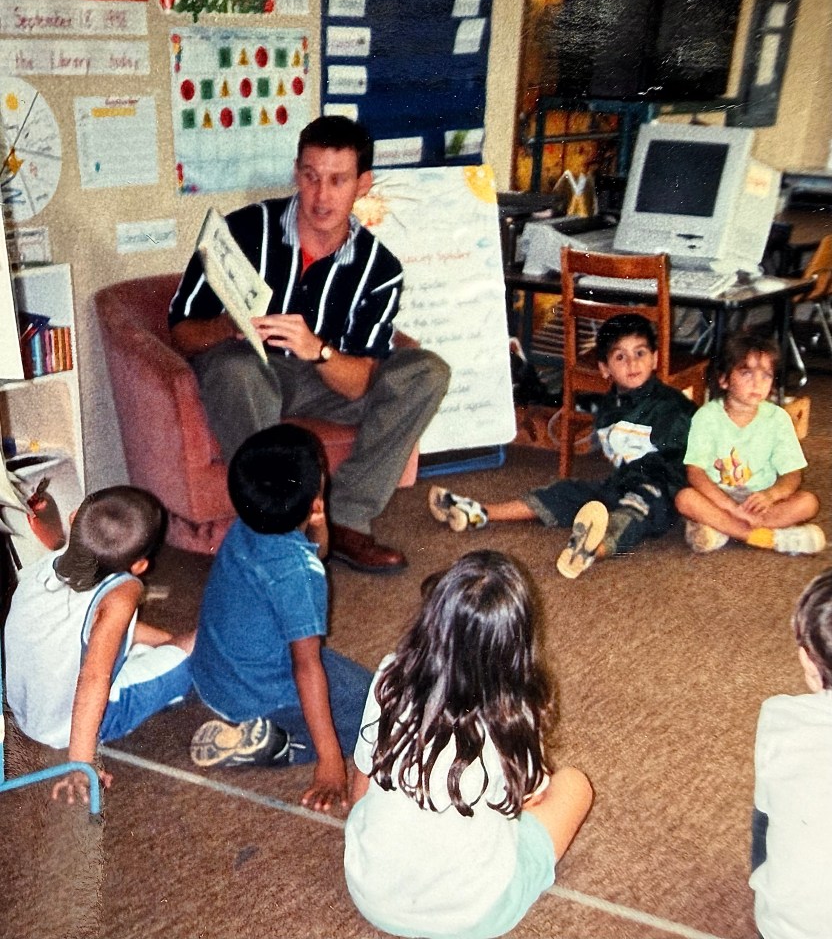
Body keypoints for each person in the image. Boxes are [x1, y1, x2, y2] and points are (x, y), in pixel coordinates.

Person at [168, 115, 450, 574]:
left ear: (362, 184)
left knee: (427, 372)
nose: (321, 196)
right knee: (237, 369)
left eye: (338, 180)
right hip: (249, 372)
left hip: (324, 378)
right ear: (297, 173)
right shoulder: (242, 231)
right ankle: (276, 529)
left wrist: (316, 349)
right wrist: (227, 326)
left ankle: (347, 520)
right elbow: (181, 332)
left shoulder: (380, 268)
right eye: (311, 176)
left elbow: (357, 384)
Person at [344, 550, 593, 939]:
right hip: (472, 915)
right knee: (576, 785)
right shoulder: (513, 715)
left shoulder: (391, 674)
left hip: (369, 891)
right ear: (517, 643)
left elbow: (363, 776)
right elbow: (526, 801)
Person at [188, 423, 373, 812]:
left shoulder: (248, 524)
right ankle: (284, 744)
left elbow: (317, 551)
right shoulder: (298, 574)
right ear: (315, 495)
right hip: (261, 691)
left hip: (214, 676)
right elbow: (306, 666)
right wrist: (331, 761)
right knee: (379, 710)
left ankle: (268, 730)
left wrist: (319, 525)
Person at [430, 313, 697, 579]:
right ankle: (482, 512)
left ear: (655, 358)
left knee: (635, 508)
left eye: (640, 353)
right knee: (568, 491)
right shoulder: (609, 408)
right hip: (621, 483)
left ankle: (590, 551)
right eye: (620, 357)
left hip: (662, 491)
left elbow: (685, 461)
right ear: (605, 368)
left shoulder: (670, 407)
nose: (632, 363)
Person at [4, 486, 194, 805]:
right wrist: (81, 764)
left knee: (146, 643)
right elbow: (93, 678)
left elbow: (103, 627)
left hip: (28, 710)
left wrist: (166, 641)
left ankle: (166, 658)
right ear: (140, 566)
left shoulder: (44, 565)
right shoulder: (124, 590)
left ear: (74, 518)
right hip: (69, 725)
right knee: (204, 646)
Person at [675, 329, 825, 555]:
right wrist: (732, 508)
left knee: (808, 502)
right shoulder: (706, 417)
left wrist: (771, 495)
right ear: (724, 379)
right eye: (747, 374)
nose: (757, 383)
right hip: (719, 498)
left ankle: (724, 529)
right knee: (685, 499)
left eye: (766, 376)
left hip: (760, 500)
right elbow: (695, 473)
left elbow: (792, 474)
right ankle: (766, 537)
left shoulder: (778, 418)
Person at [749, 568, 832, 939]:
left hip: (787, 931)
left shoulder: (781, 716)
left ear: (808, 664)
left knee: (766, 808)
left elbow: (764, 817)